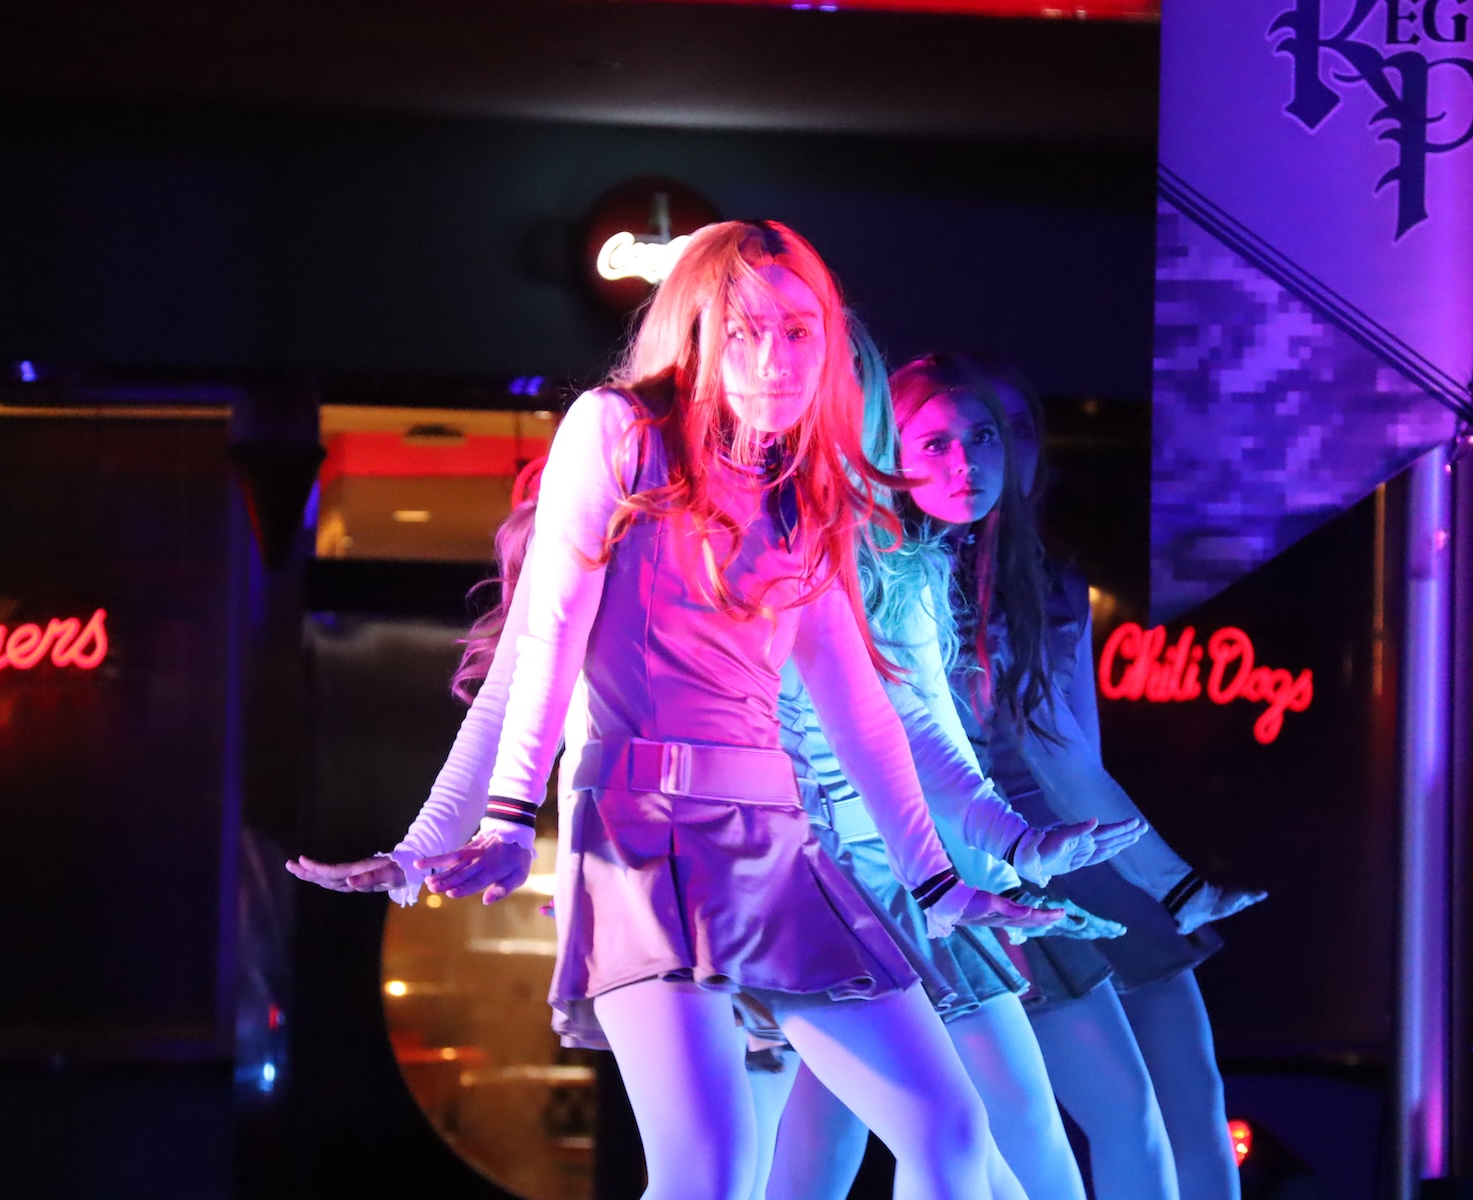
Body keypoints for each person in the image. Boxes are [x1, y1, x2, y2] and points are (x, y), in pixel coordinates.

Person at [286, 221, 1062, 1200]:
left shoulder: (807, 484)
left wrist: (939, 882)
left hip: (778, 841)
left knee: (948, 1131)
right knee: (711, 1171)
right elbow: (542, 643)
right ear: (696, 330)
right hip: (642, 837)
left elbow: (860, 703)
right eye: (746, 331)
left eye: (799, 331)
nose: (776, 359)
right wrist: (487, 822)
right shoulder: (618, 431)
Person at [760, 326, 1138, 1200]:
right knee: (927, 1148)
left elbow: (923, 730)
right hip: (810, 882)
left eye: (982, 437)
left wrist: (1014, 848)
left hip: (901, 875)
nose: (967, 462)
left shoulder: (906, 565)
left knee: (935, 1149)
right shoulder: (795, 544)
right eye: (935, 441)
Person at [933, 352, 1262, 1200]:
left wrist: (1161, 876)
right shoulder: (911, 571)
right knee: (1034, 1131)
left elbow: (1076, 751)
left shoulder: (1045, 577)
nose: (990, 454)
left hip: (1070, 839)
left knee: (1187, 1101)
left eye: (1008, 432)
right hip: (979, 856)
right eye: (963, 436)